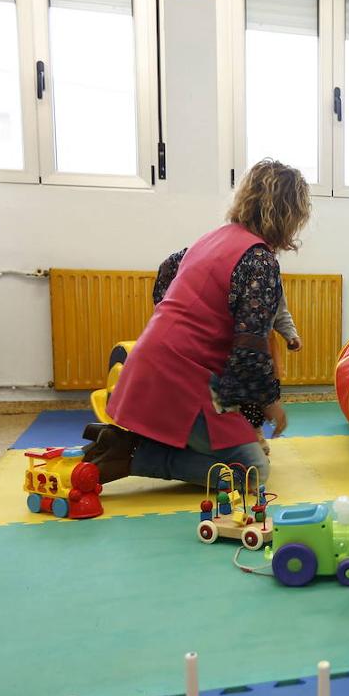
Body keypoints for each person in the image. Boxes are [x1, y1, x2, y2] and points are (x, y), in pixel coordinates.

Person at [82, 159, 309, 488]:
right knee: (252, 471)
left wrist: (178, 322)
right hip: (183, 379)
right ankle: (134, 456)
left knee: (230, 438)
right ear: (289, 214)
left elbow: (167, 270)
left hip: (155, 362)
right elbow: (251, 345)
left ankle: (123, 443)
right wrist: (271, 404)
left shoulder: (214, 238)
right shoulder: (260, 259)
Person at [152, 248, 302, 455]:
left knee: (256, 394)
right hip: (235, 345)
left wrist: (291, 335)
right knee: (233, 397)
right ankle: (237, 437)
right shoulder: (220, 275)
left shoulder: (269, 279)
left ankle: (255, 433)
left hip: (261, 345)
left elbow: (281, 312)